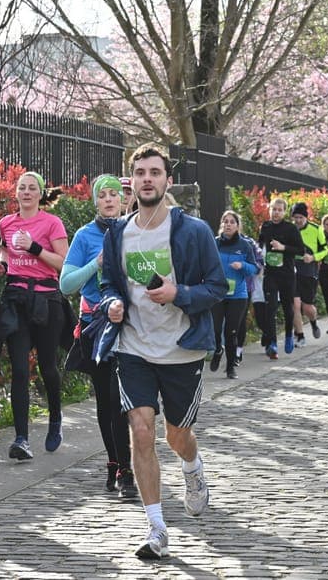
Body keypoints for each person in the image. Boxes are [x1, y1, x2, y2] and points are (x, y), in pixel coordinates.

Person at [95, 144, 226, 559]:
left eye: (155, 172)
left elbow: (216, 288)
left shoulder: (194, 231)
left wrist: (178, 293)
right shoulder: (118, 232)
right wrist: (112, 303)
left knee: (177, 436)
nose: (147, 179)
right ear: (130, 180)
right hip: (133, 348)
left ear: (168, 180)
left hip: (181, 351)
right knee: (141, 430)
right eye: (140, 172)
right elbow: (108, 284)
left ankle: (193, 468)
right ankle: (156, 529)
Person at [0, 171, 72, 461]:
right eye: (21, 188)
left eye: (31, 188)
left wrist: (35, 248)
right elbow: (5, 253)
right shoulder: (6, 223)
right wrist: (0, 266)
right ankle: (21, 438)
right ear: (16, 193)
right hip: (16, 301)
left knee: (48, 367)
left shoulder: (52, 223)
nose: (26, 192)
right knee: (20, 370)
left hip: (46, 300)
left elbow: (63, 263)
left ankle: (55, 421)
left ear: (40, 193)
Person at [60, 174, 135, 498]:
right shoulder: (84, 235)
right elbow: (66, 284)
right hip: (96, 325)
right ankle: (115, 462)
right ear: (95, 201)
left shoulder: (135, 231)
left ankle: (127, 469)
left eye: (113, 194)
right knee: (106, 400)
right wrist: (97, 263)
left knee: (122, 400)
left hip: (132, 325)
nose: (108, 199)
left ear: (123, 200)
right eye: (102, 195)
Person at [212, 210, 258, 378]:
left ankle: (230, 367)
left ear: (238, 226)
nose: (228, 224)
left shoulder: (244, 245)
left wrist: (243, 266)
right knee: (216, 329)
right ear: (221, 225)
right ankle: (218, 349)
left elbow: (255, 268)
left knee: (231, 332)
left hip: (238, 295)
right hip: (218, 292)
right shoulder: (215, 243)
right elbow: (206, 264)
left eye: (232, 222)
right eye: (225, 221)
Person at [257, 198, 304, 358]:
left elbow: (300, 250)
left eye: (279, 210)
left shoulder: (290, 229)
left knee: (287, 308)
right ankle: (273, 343)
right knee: (270, 309)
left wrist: (283, 247)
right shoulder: (265, 226)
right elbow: (261, 244)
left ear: (284, 212)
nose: (276, 212)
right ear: (269, 210)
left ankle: (290, 334)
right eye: (273, 209)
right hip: (270, 274)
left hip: (287, 274)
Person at [290, 202, 328, 347]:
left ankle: (313, 322)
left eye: (300, 217)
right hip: (292, 269)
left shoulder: (316, 229)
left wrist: (313, 257)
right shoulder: (290, 229)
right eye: (295, 217)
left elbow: (324, 250)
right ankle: (299, 335)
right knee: (295, 304)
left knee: (308, 308)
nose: (298, 220)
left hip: (309, 270)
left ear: (306, 217)